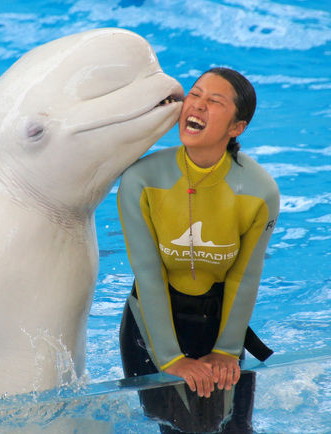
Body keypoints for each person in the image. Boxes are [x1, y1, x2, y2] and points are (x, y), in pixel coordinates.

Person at [117, 67, 279, 433]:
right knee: (186, 427)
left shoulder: (258, 191)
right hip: (150, 326)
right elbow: (148, 272)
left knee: (236, 429)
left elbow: (245, 275)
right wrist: (171, 359)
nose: (198, 105)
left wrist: (226, 349)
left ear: (236, 127)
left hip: (219, 324)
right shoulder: (141, 180)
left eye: (214, 101)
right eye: (195, 94)